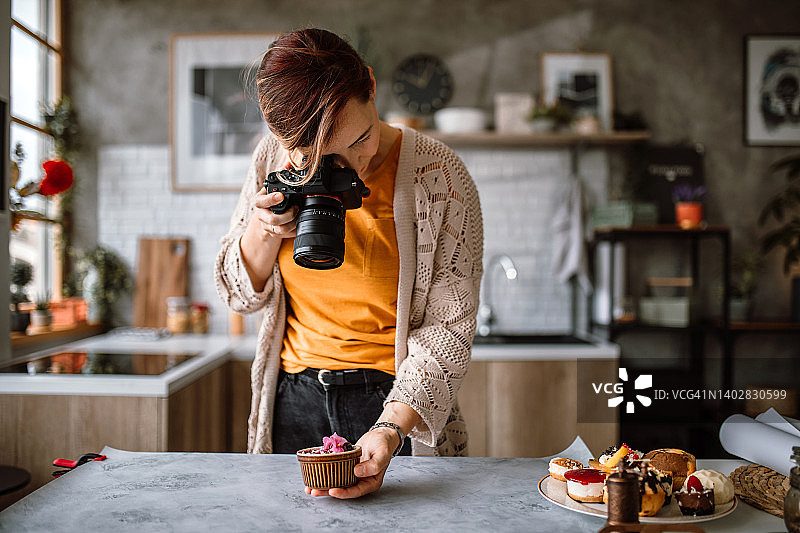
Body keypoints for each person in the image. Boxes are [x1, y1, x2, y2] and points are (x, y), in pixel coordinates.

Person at [214, 28, 483, 499]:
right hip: (291, 398)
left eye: (359, 139)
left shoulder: (440, 176)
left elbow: (448, 328)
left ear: (372, 87)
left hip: (396, 402)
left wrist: (392, 429)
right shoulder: (272, 158)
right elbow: (238, 295)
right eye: (317, 159)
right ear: (281, 139)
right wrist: (264, 228)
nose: (351, 168)